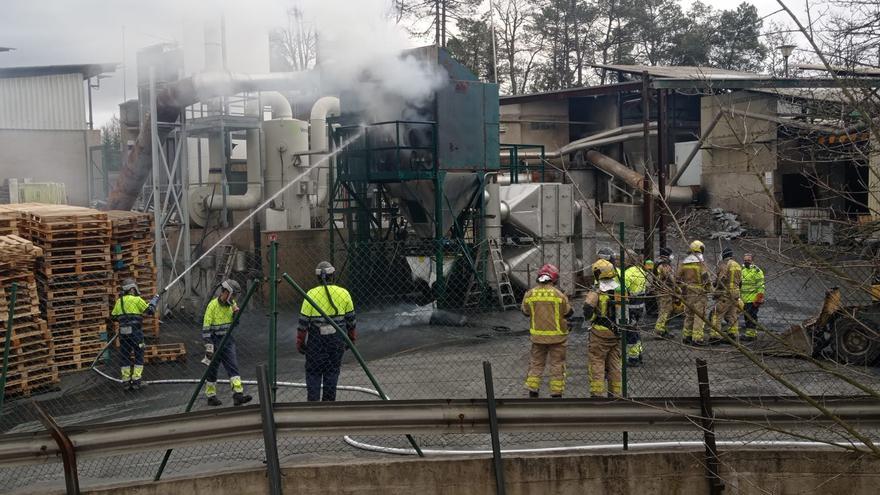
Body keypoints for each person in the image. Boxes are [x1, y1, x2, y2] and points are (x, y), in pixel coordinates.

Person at [297, 261, 357, 402]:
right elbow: (351, 321)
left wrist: (300, 342)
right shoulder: (344, 293)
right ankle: (329, 406)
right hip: (337, 339)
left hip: (316, 340)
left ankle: (313, 406)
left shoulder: (310, 294)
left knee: (314, 372)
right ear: (333, 275)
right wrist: (351, 339)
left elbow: (303, 323)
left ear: (318, 277)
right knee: (332, 371)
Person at [521, 264, 573, 398]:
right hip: (558, 338)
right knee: (557, 365)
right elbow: (568, 313)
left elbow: (525, 312)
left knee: (536, 364)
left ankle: (533, 390)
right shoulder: (559, 294)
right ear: (554, 279)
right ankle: (556, 393)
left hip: (537, 337)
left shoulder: (530, 294)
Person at [202, 279, 252, 406]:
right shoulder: (212, 306)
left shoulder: (232, 304)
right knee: (212, 369)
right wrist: (209, 346)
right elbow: (206, 327)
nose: (234, 297)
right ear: (226, 292)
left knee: (232, 366)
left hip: (227, 339)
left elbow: (236, 323)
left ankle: (238, 395)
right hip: (215, 340)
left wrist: (236, 313)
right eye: (233, 294)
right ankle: (211, 396)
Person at [110, 279, 159, 390]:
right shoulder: (137, 300)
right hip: (136, 333)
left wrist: (124, 318)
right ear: (132, 289)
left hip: (123, 334)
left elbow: (113, 317)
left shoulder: (119, 301)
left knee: (125, 356)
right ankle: (137, 381)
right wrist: (154, 300)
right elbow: (150, 311)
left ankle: (126, 382)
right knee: (139, 354)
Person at [585, 259, 622, 397]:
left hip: (599, 333)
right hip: (616, 332)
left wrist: (591, 318)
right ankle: (616, 393)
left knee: (597, 362)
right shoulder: (619, 289)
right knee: (614, 364)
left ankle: (597, 393)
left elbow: (587, 307)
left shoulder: (597, 290)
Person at [677, 240, 711, 345]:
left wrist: (682, 289)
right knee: (699, 316)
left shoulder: (684, 263)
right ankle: (697, 339)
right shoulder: (701, 263)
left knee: (689, 315)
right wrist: (709, 289)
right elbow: (706, 277)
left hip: (687, 293)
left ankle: (686, 336)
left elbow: (677, 279)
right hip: (699, 293)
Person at [711, 247, 743, 343]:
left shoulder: (725, 264)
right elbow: (740, 282)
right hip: (735, 293)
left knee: (717, 314)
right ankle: (733, 334)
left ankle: (715, 336)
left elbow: (722, 279)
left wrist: (716, 286)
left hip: (726, 293)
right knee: (732, 315)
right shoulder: (737, 265)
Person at [623, 256, 648, 366]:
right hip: (640, 306)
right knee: (636, 331)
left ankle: (633, 358)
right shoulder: (642, 271)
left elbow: (623, 290)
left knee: (630, 333)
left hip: (630, 307)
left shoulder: (628, 273)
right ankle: (639, 353)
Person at [740, 253, 766, 342]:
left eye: (748, 260)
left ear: (752, 261)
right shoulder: (742, 270)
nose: (746, 262)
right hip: (744, 299)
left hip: (753, 299)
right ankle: (750, 334)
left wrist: (759, 299)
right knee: (747, 317)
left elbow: (761, 287)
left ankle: (751, 335)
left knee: (752, 317)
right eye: (745, 260)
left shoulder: (757, 271)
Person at [653, 247, 677, 337]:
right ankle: (659, 331)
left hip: (660, 290)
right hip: (664, 291)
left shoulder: (658, 263)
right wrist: (677, 287)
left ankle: (663, 329)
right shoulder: (664, 265)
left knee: (667, 311)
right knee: (665, 311)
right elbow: (670, 278)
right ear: (667, 255)